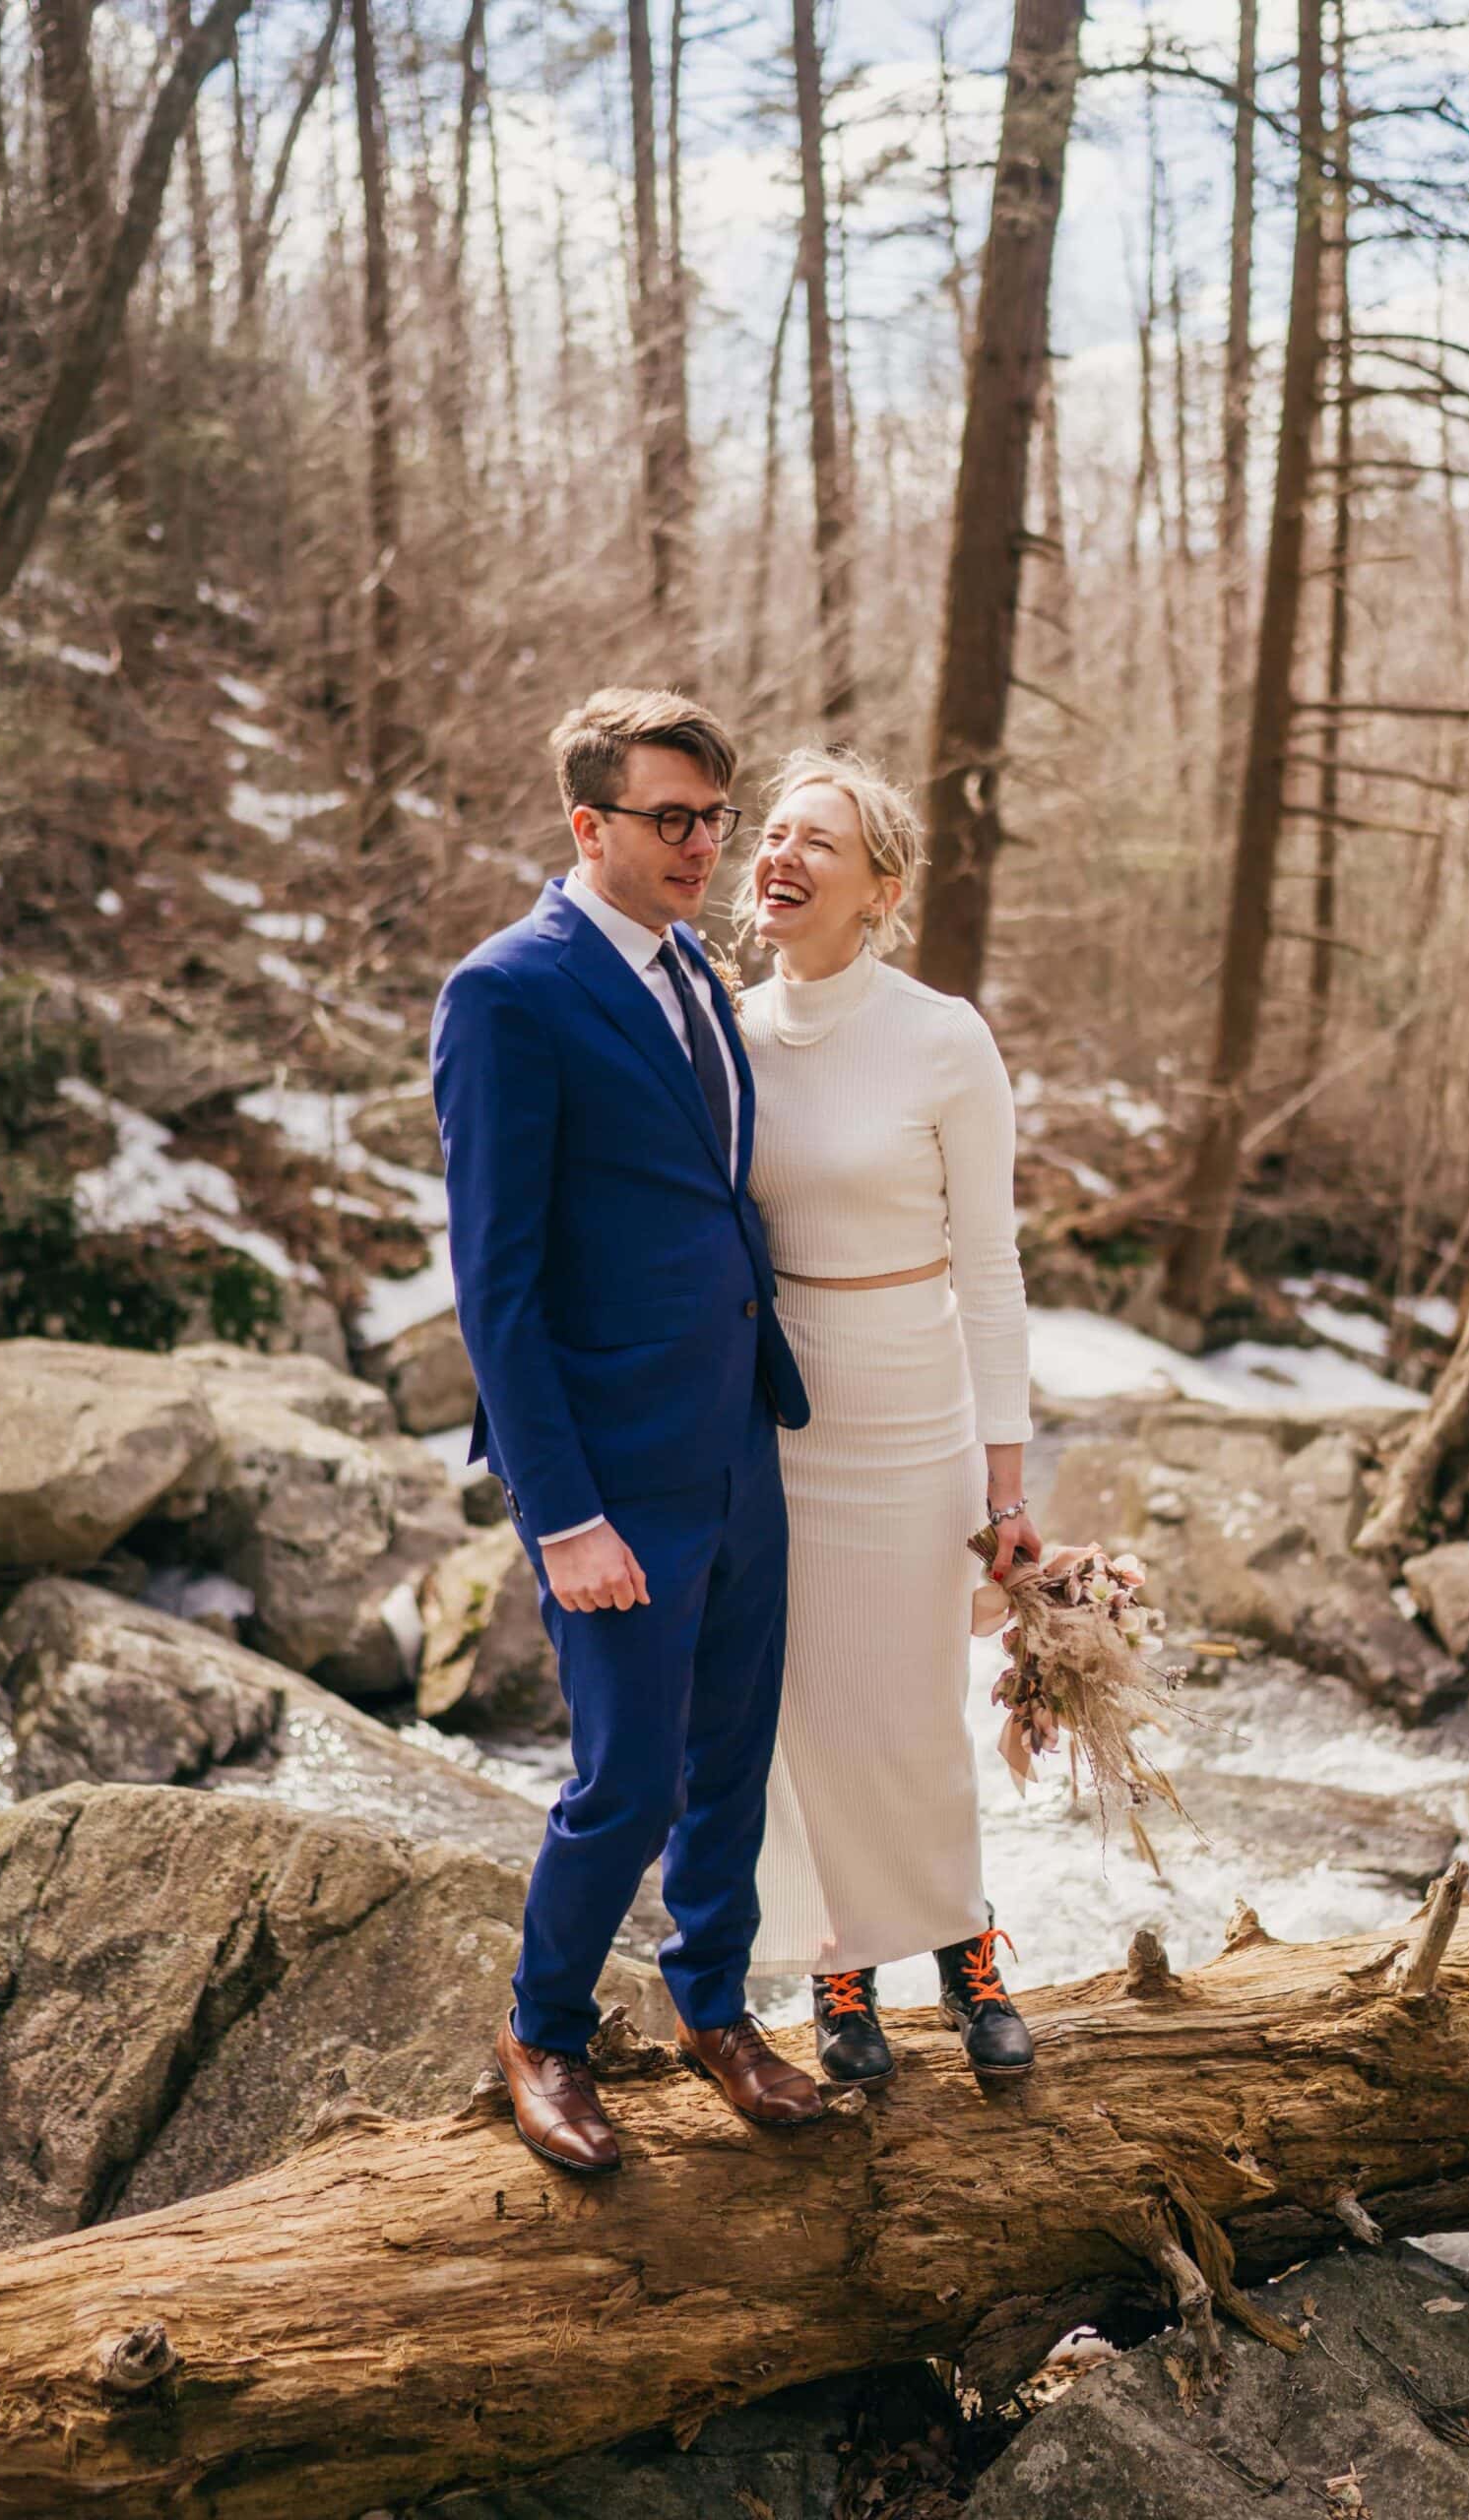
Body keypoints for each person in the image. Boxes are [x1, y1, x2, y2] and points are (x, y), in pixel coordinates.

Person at [430, 686, 824, 2177]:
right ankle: (544, 2029)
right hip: (607, 1465)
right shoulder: (508, 992)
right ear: (587, 824)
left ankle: (712, 2006)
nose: (704, 845)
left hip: (735, 1435)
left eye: (715, 818)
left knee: (734, 1749)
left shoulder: (695, 978)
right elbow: (498, 1286)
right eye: (671, 818)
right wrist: (562, 1510)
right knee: (630, 1778)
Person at [740, 748, 1043, 2087]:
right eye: (773, 831)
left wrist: (1008, 1486)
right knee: (801, 1711)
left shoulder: (941, 1037)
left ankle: (966, 1952)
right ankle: (835, 1975)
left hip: (917, 1408)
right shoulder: (726, 1032)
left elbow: (991, 1269)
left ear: (881, 888)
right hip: (781, 1417)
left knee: (913, 1708)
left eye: (820, 841)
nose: (781, 855)